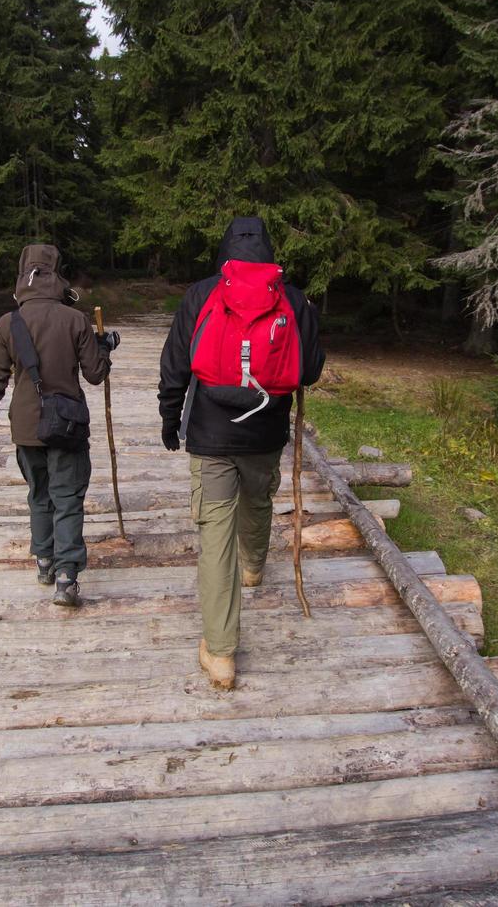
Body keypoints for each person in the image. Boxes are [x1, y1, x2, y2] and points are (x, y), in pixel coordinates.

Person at [158, 217, 325, 688]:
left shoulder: (201, 293)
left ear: (225, 250)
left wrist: (171, 419)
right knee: (258, 498)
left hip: (210, 434)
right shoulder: (292, 299)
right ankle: (253, 565)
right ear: (269, 250)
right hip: (266, 431)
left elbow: (174, 363)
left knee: (215, 535)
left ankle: (220, 652)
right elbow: (309, 370)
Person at [0, 244, 117, 608]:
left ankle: (45, 561)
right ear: (57, 275)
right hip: (68, 425)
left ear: (23, 276)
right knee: (67, 499)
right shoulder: (75, 319)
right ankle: (66, 577)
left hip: (27, 426)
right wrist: (105, 347)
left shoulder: (8, 323)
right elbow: (95, 376)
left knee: (39, 495)